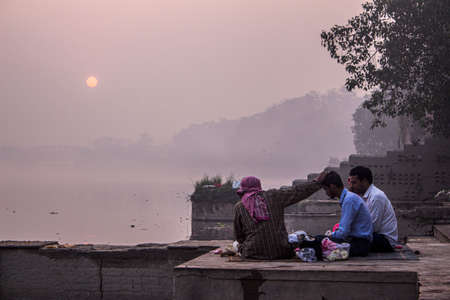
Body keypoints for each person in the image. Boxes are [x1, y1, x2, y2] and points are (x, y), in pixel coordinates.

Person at [233, 172, 327, 259]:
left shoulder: (239, 207)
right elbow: (297, 191)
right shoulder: (274, 196)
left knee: (236, 244)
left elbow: (239, 236)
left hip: (252, 253)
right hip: (282, 251)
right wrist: (316, 183)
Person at [321, 171, 373, 257]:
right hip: (360, 242)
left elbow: (343, 233)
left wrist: (329, 235)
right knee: (322, 240)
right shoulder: (349, 197)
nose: (326, 192)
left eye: (326, 189)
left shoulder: (349, 200)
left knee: (320, 240)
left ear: (332, 186)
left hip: (359, 245)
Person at [348, 166, 398, 252]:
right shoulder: (364, 196)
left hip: (384, 240)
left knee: (348, 242)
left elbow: (373, 227)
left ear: (364, 181)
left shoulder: (376, 197)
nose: (351, 187)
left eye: (354, 183)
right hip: (373, 236)